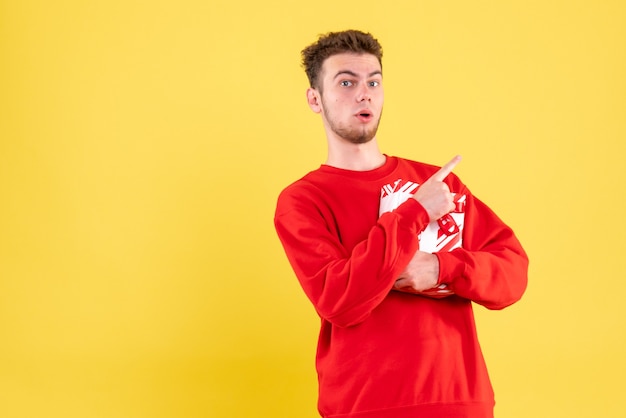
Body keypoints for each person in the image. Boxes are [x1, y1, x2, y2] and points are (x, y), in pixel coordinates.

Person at [274, 29, 528, 418]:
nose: (364, 94)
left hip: (459, 400)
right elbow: (340, 302)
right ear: (315, 99)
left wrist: (444, 268)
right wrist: (415, 213)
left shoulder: (439, 183)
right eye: (346, 82)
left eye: (373, 82)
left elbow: (512, 273)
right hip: (365, 405)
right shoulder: (303, 200)